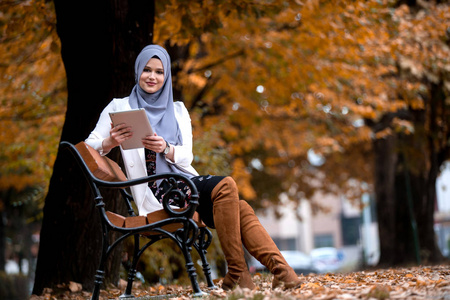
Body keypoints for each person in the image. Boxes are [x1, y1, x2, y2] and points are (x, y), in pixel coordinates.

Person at [85, 44, 302, 291]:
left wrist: (165, 148)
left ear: (166, 76)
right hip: (159, 194)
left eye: (159, 71)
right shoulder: (119, 107)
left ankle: (276, 274)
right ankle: (249, 274)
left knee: (237, 204)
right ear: (138, 72)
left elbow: (187, 157)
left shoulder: (178, 110)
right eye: (147, 70)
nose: (152, 77)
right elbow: (89, 145)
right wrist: (111, 141)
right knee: (227, 185)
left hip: (185, 184)